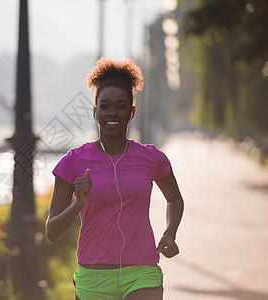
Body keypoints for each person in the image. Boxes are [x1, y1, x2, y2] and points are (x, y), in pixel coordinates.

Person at [45, 57, 184, 300]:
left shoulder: (151, 158)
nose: (112, 112)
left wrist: (170, 233)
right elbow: (52, 232)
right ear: (94, 110)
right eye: (105, 105)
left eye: (121, 106)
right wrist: (78, 203)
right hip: (94, 277)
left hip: (142, 272)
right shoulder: (73, 162)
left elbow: (175, 199)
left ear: (132, 112)